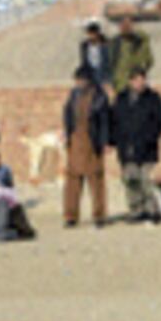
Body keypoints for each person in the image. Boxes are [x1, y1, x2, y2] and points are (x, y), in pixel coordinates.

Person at [59, 65, 112, 227]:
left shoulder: (99, 96)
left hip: (92, 141)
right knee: (72, 180)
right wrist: (67, 135)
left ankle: (99, 215)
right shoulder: (73, 95)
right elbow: (67, 115)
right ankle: (71, 215)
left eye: (81, 80)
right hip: (75, 140)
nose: (79, 83)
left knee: (96, 179)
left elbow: (104, 121)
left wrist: (104, 141)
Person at [113, 69, 161, 223]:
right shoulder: (121, 99)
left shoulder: (153, 98)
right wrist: (114, 141)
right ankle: (136, 210)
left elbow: (159, 121)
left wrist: (150, 138)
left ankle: (152, 210)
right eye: (136, 80)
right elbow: (114, 121)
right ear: (130, 81)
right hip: (127, 146)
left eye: (142, 79)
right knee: (131, 180)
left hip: (147, 146)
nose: (140, 83)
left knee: (146, 180)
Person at [112, 17, 153, 93]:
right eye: (123, 26)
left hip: (136, 85)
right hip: (119, 85)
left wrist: (140, 76)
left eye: (128, 25)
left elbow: (149, 61)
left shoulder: (140, 42)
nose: (126, 28)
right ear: (120, 27)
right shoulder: (114, 43)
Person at [79, 23, 114, 90]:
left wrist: (107, 78)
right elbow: (84, 62)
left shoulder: (106, 44)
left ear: (97, 33)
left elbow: (109, 62)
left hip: (103, 75)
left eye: (92, 34)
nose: (90, 36)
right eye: (88, 34)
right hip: (90, 76)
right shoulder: (84, 45)